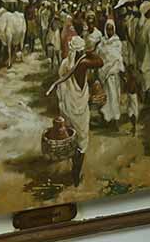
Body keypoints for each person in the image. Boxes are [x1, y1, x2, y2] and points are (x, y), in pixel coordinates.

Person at [51, 23, 103, 186]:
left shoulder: (65, 64)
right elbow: (100, 62)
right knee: (82, 142)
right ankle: (75, 174)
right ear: (80, 51)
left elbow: (61, 86)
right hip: (79, 109)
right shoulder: (82, 64)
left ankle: (73, 167)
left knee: (72, 137)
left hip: (67, 108)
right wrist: (90, 52)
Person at [97, 19, 124, 124]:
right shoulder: (102, 43)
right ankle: (107, 119)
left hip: (114, 74)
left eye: (111, 29)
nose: (109, 31)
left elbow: (118, 58)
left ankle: (116, 119)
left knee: (115, 97)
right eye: (108, 29)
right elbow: (99, 57)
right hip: (104, 75)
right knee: (107, 98)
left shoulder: (117, 42)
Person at [136, 1, 150, 97]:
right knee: (148, 75)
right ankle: (148, 97)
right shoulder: (149, 23)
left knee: (143, 76)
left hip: (140, 53)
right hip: (147, 54)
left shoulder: (139, 23)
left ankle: (145, 95)